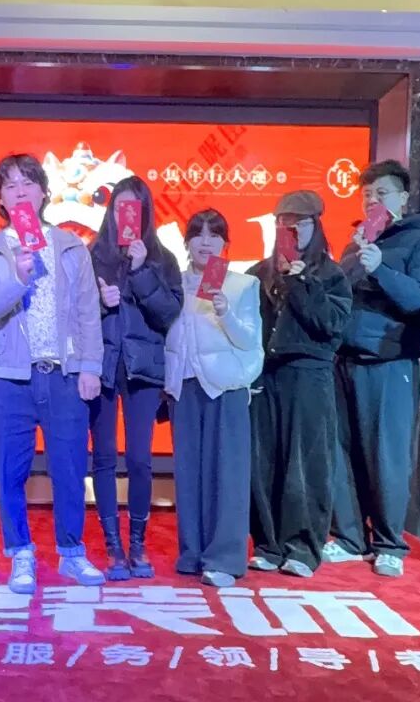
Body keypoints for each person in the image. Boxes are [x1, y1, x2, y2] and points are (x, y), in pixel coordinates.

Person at [0, 153, 105, 594]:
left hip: (63, 373)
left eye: (27, 183)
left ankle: (72, 552)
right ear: (1, 201)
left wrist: (90, 366)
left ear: (44, 192)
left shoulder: (70, 246)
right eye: (9, 186)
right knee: (10, 470)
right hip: (11, 377)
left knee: (69, 467)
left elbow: (88, 312)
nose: (20, 191)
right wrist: (17, 277)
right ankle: (21, 553)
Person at [325, 160, 420, 577]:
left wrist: (380, 268)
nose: (373, 201)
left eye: (382, 193)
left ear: (403, 197)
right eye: (367, 195)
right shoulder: (357, 241)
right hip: (346, 360)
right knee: (343, 452)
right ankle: (349, 537)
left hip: (391, 361)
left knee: (387, 456)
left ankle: (390, 543)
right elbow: (340, 294)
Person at [248, 190, 352, 578]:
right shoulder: (259, 273)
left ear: (315, 226)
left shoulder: (330, 274)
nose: (290, 230)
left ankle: (303, 548)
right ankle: (267, 543)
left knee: (306, 464)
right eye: (283, 223)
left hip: (309, 374)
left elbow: (332, 326)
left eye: (298, 224)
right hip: (266, 374)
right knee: (264, 461)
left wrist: (300, 282)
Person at [89, 176, 182, 581]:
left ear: (145, 213)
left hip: (144, 370)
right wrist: (99, 301)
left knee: (140, 459)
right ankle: (113, 546)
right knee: (104, 457)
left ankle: (138, 545)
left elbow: (169, 313)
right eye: (120, 208)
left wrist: (143, 270)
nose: (126, 216)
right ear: (111, 212)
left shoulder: (162, 258)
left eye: (135, 208)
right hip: (104, 367)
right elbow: (75, 314)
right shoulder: (93, 256)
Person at [165, 209, 263, 588]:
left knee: (228, 474)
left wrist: (226, 314)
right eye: (198, 234)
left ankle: (224, 558)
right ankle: (192, 552)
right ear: (187, 242)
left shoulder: (242, 285)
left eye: (214, 235)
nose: (205, 242)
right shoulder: (172, 283)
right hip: (184, 386)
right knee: (189, 473)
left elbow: (249, 340)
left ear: (225, 243)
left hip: (226, 387)